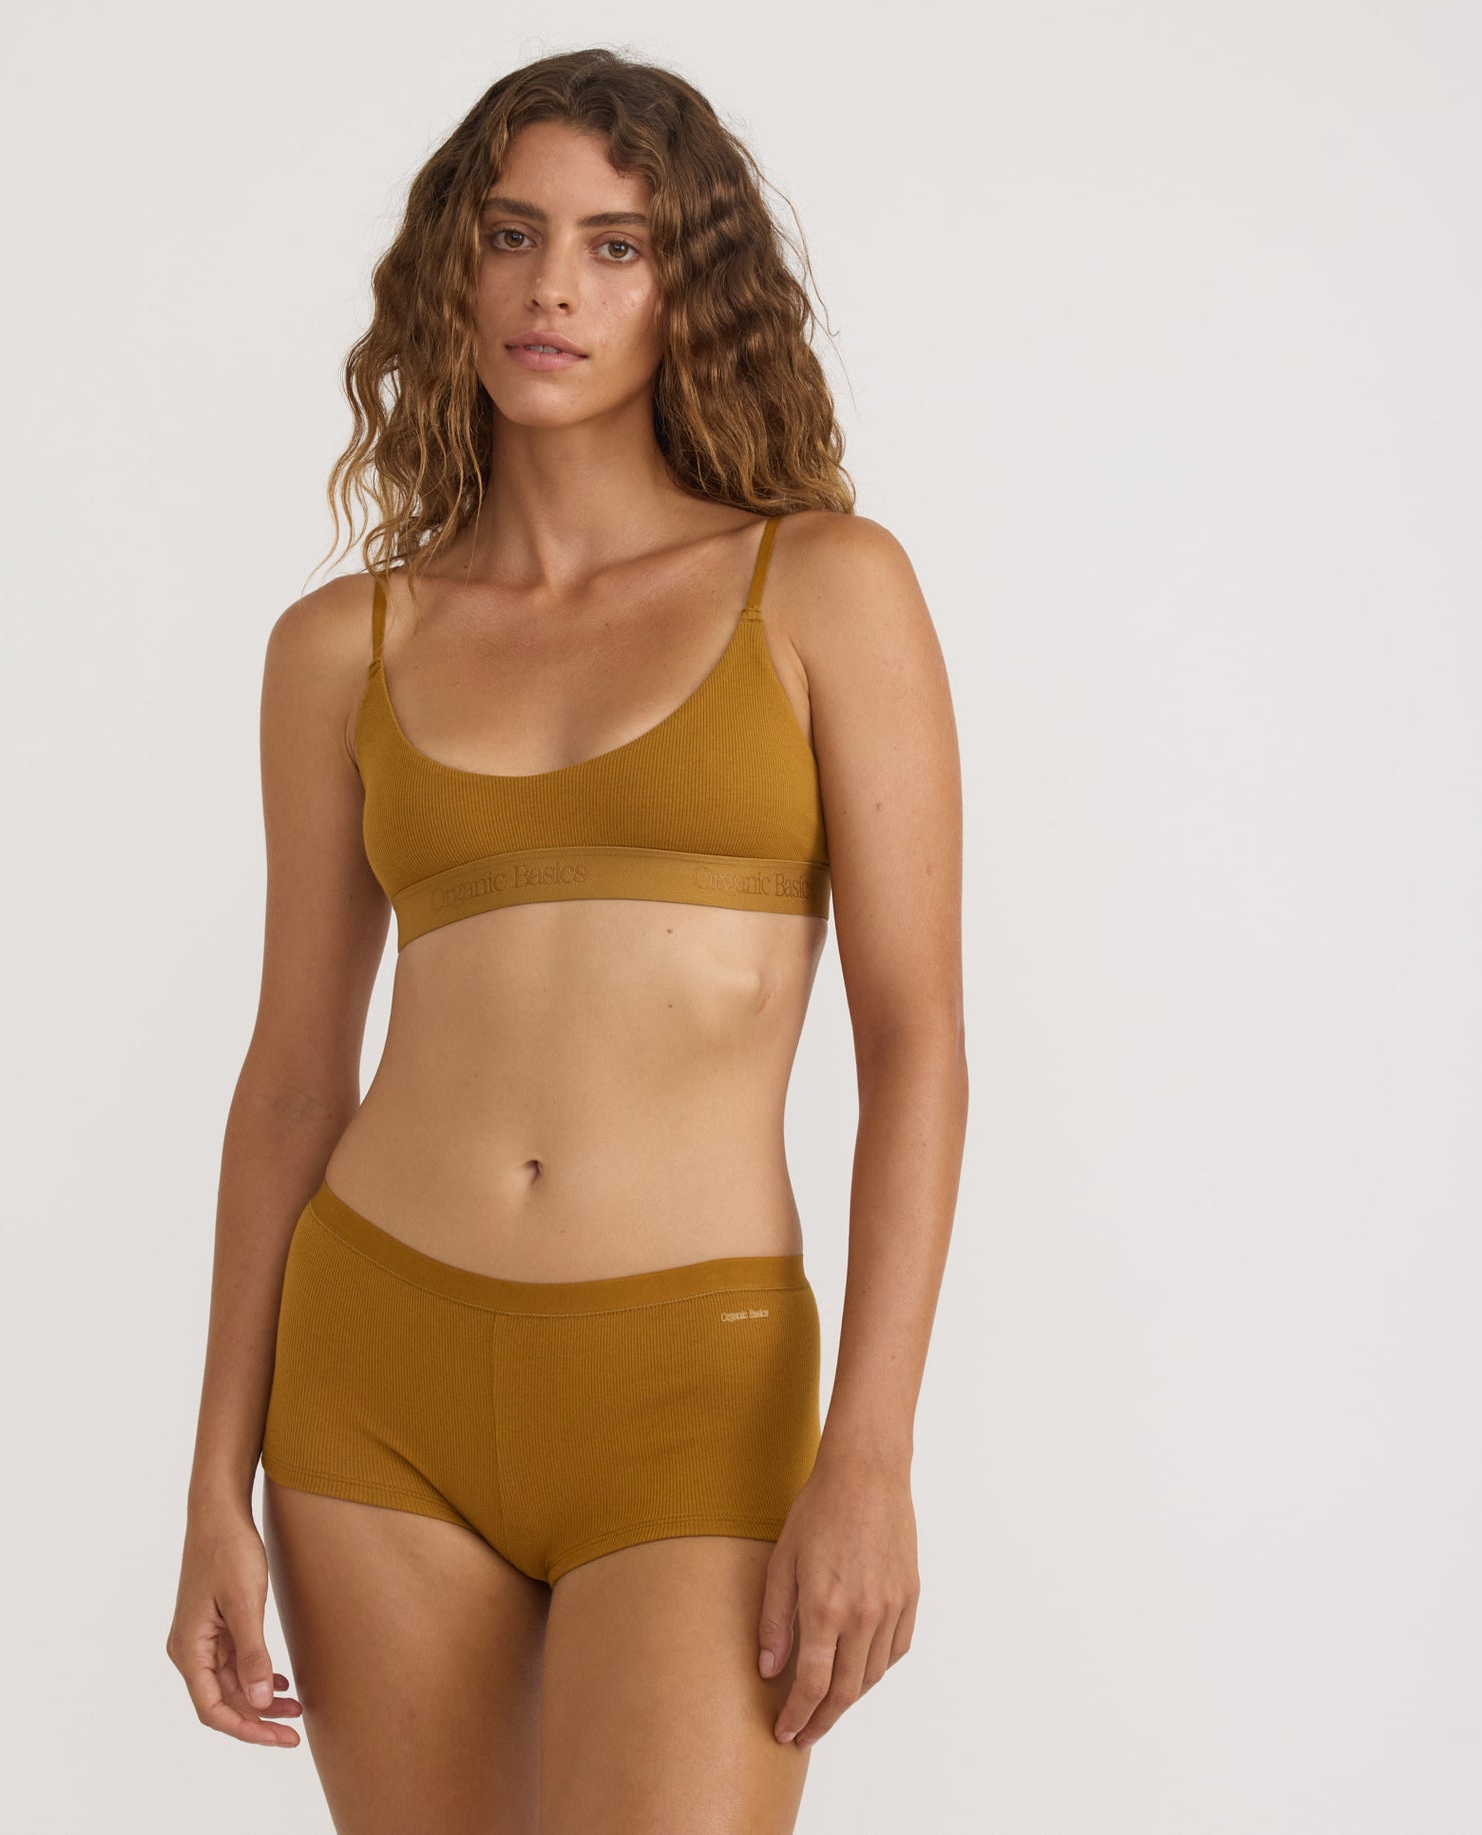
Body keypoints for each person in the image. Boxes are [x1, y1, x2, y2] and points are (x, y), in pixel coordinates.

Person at [167, 46, 967, 1834]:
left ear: (691, 291)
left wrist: (872, 1448)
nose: (552, 288)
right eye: (513, 234)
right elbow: (291, 1076)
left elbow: (914, 1042)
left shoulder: (822, 587)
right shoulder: (341, 648)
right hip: (373, 1381)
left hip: (694, 1385)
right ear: (449, 268)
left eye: (618, 246)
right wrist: (214, 1480)